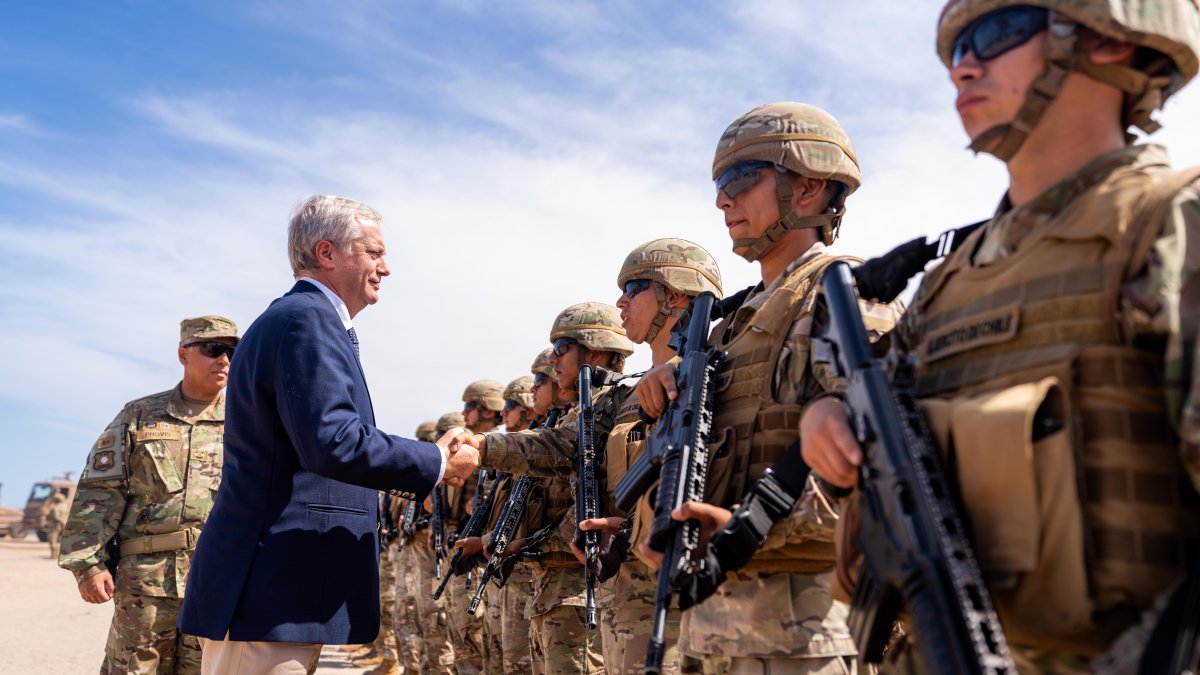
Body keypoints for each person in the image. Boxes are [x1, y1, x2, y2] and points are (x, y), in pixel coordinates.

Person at [800, 1, 1200, 672]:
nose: (963, 69)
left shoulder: (1171, 224)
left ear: (1104, 41)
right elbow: (882, 416)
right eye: (956, 50)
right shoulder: (949, 280)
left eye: (995, 33)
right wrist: (827, 417)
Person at [636, 103, 900, 675]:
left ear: (807, 187)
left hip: (807, 630)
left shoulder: (846, 296)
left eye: (738, 179)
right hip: (712, 621)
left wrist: (748, 525)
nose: (721, 201)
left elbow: (886, 474)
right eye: (718, 186)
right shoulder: (729, 326)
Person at [178, 195, 478, 674]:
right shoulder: (307, 320)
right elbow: (333, 441)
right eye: (374, 253)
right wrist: (436, 462)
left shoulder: (306, 319)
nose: (386, 268)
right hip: (271, 593)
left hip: (284, 592)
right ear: (327, 253)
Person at [457, 303, 636, 675]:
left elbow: (576, 479)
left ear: (595, 352)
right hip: (554, 581)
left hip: (578, 582)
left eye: (561, 349)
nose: (553, 361)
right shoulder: (583, 413)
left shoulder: (615, 406)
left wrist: (484, 448)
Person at [57, 315, 239, 675]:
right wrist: (87, 564)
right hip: (145, 585)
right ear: (183, 354)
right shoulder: (139, 416)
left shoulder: (246, 420)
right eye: (212, 349)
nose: (224, 360)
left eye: (233, 352)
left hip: (216, 580)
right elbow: (100, 491)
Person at [590, 238, 724, 674]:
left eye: (634, 288)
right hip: (626, 595)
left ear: (676, 295)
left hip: (684, 595)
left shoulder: (715, 373)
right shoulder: (629, 395)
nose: (621, 302)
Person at [46, 492, 70, 560]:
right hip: (63, 525)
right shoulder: (65, 507)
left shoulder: (56, 507)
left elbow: (56, 517)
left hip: (55, 526)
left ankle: (54, 556)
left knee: (52, 540)